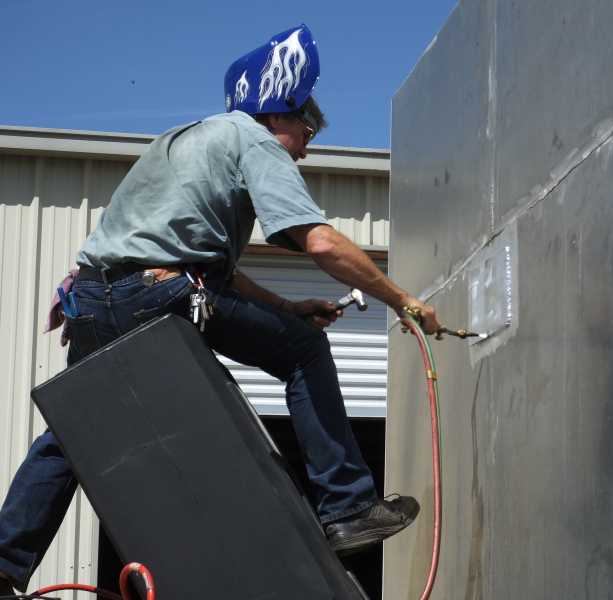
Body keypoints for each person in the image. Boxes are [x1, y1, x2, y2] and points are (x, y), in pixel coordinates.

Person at [0, 23, 440, 596]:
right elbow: (321, 242)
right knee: (304, 352)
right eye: (306, 128)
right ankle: (347, 506)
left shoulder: (179, 141)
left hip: (90, 298)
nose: (306, 146)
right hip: (159, 295)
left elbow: (211, 268)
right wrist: (402, 299)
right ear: (278, 111)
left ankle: (4, 564)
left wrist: (287, 306)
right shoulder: (254, 142)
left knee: (72, 429)